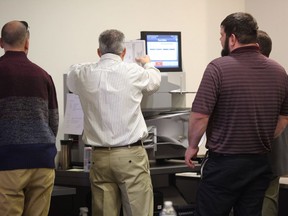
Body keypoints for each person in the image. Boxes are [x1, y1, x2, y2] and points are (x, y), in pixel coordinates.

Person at [185, 12, 288, 216]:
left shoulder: (218, 68)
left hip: (224, 164)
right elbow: (283, 119)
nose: (220, 39)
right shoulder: (279, 71)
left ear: (232, 38)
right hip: (259, 163)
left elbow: (199, 117)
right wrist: (260, 136)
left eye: (221, 35)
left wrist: (192, 146)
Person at [67, 29, 161, 216]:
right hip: (130, 155)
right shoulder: (133, 72)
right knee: (138, 212)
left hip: (99, 157)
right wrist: (148, 64)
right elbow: (154, 82)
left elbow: (71, 75)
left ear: (98, 52)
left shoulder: (83, 74)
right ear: (124, 52)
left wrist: (96, 63)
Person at [0, 20, 59, 216]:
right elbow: (54, 121)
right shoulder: (43, 75)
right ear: (27, 43)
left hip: (7, 161)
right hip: (42, 159)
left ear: (1, 42)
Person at [257, 30, 288, 216]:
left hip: (258, 154)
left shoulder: (257, 78)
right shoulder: (280, 74)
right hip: (275, 156)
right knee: (268, 200)